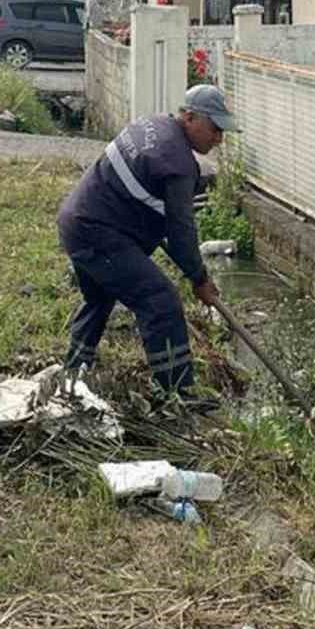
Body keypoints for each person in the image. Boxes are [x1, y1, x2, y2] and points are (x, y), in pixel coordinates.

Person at [58, 83, 238, 403]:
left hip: (77, 221)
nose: (218, 139)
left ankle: (74, 367)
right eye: (214, 129)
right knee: (160, 300)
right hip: (100, 232)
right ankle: (177, 392)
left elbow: (148, 201)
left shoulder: (151, 125)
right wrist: (200, 279)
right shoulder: (179, 164)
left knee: (99, 297)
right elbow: (182, 232)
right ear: (190, 117)